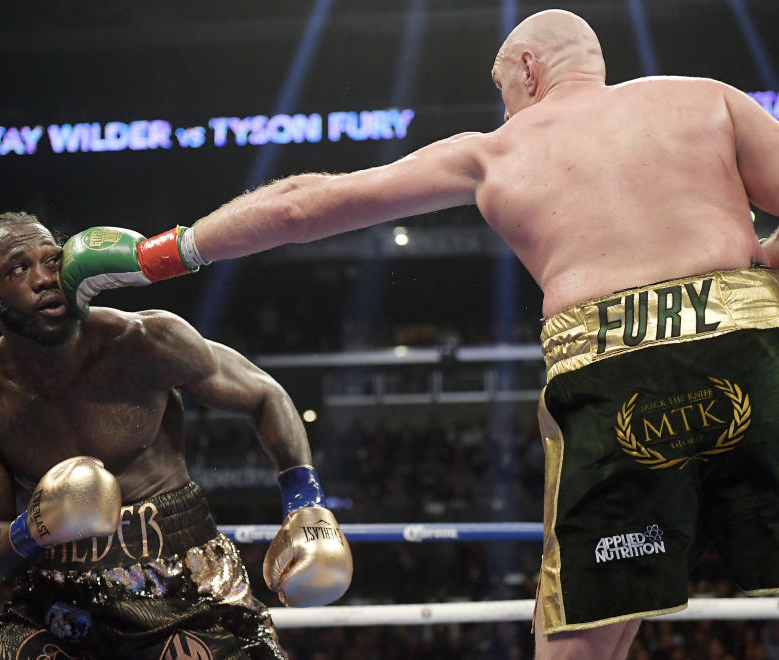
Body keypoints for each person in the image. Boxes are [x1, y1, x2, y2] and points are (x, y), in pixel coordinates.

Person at [59, 8, 779, 659]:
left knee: (585, 632)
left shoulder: (495, 150)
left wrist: (160, 254)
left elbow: (302, 206)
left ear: (529, 68)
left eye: (503, 86)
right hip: (752, 344)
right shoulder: (707, 97)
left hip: (610, 367)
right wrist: (751, 276)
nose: (505, 106)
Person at [0, 212, 353, 660]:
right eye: (19, 269)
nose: (44, 279)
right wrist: (33, 528)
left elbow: (263, 394)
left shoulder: (143, 340)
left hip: (187, 583)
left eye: (52, 261)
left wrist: (304, 503)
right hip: (61, 599)